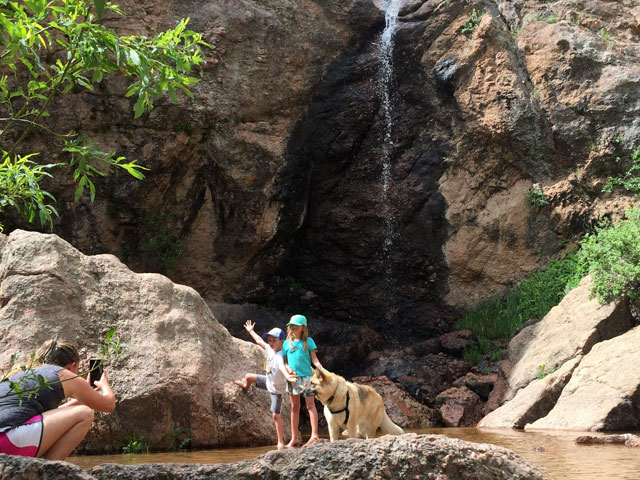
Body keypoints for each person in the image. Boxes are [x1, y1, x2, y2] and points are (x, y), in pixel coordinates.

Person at [0, 339, 116, 460]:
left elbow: (48, 418)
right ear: (73, 365)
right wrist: (104, 384)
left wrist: (83, 397)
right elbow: (108, 405)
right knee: (85, 413)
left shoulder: (25, 374)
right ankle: (50, 471)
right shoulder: (63, 374)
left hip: (7, 437)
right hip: (8, 443)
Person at [234, 320, 294, 450]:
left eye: (274, 341)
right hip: (268, 381)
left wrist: (288, 376)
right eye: (270, 340)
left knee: (275, 415)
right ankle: (245, 386)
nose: (271, 343)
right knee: (248, 376)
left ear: (282, 342)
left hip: (276, 390)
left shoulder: (279, 356)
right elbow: (260, 341)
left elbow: (282, 367)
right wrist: (251, 331)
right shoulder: (270, 349)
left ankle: (280, 441)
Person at [282, 314, 323, 448]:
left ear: (302, 328)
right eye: (291, 326)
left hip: (307, 377)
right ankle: (294, 437)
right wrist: (288, 370)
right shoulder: (287, 343)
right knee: (294, 407)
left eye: (296, 326)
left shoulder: (308, 341)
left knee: (310, 405)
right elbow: (285, 362)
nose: (292, 328)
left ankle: (314, 434)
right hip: (293, 378)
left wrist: (320, 367)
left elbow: (314, 359)